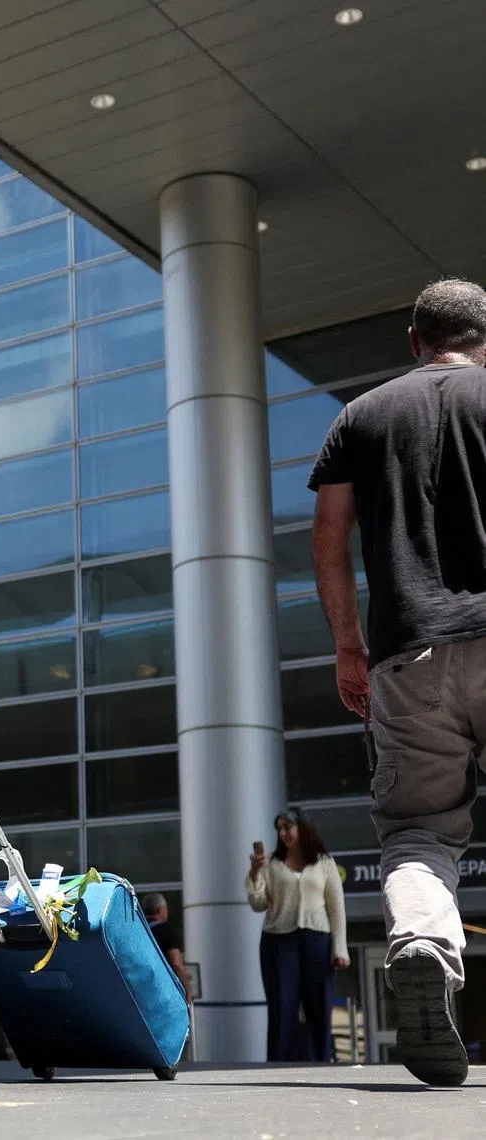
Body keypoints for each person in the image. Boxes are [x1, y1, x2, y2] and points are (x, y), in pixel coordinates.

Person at [309, 278, 486, 1088]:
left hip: (407, 652)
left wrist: (350, 647)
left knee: (418, 832)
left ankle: (420, 943)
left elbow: (329, 538)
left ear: (415, 339)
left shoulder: (362, 415)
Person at [245, 809, 348, 1063]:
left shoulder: (324, 862)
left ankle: (322, 1062)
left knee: (319, 1005)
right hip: (279, 940)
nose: (283, 833)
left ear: (302, 827)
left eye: (288, 826)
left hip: (318, 940)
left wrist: (340, 949)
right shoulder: (271, 864)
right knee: (283, 1005)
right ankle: (279, 1064)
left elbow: (336, 908)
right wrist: (255, 873)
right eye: (279, 828)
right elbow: (258, 903)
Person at [142, 893, 193, 1004]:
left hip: (144, 990)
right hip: (166, 992)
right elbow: (176, 963)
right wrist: (187, 988)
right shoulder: (167, 930)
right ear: (160, 910)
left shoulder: (140, 931)